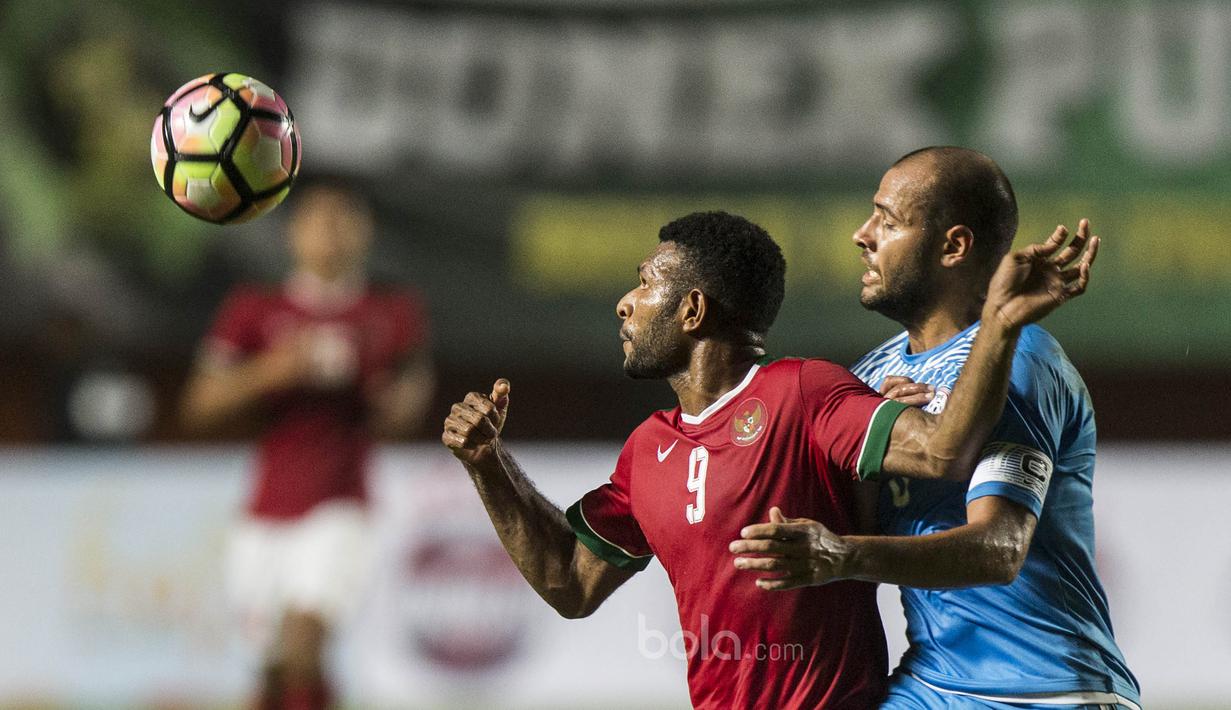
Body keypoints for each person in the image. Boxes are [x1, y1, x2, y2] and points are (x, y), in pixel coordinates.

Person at [442, 210, 1096, 709]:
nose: (624, 303)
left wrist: (999, 325)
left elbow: (942, 448)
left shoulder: (804, 393)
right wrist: (486, 465)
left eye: (643, 285)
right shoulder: (647, 450)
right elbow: (569, 583)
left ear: (692, 309)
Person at [730, 147, 1139, 709]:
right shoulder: (872, 376)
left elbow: (998, 550)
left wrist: (844, 554)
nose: (862, 234)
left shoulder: (1019, 360)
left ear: (953, 246)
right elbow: (853, 524)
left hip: (1044, 690)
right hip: (932, 685)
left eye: (888, 221)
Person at [181, 179, 434, 710]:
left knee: (305, 641)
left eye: (345, 220)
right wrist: (272, 372)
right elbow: (199, 404)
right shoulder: (254, 309)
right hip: (264, 512)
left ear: (366, 234)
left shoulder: (390, 312)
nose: (332, 232)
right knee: (271, 674)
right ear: (293, 233)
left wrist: (390, 400)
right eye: (320, 219)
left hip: (342, 506)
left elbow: (410, 403)